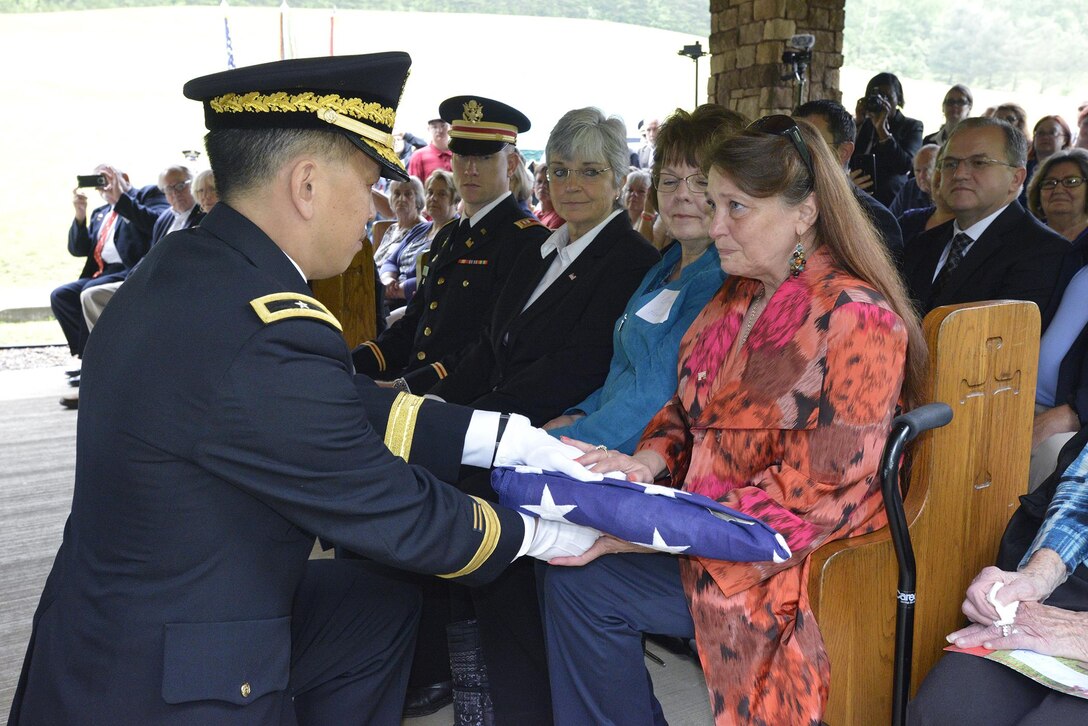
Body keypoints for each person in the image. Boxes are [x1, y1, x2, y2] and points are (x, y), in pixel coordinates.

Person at [8, 52, 599, 726]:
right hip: (167, 674)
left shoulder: (195, 265)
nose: (376, 206)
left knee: (373, 605)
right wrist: (555, 536)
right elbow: (395, 513)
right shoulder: (265, 327)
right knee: (390, 572)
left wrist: (507, 439)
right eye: (371, 179)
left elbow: (335, 403)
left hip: (118, 617)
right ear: (307, 184)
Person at [540, 114, 926, 724]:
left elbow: (815, 497)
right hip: (710, 528)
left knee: (587, 578)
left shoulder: (857, 317)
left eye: (736, 207)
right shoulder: (737, 294)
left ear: (804, 214)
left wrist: (650, 527)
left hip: (789, 561)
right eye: (714, 203)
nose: (714, 225)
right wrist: (644, 463)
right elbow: (685, 414)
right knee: (570, 575)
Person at [430, 106, 660, 724]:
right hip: (502, 432)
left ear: (618, 179)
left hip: (552, 444)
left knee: (500, 578)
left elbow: (574, 369)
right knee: (463, 563)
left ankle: (522, 709)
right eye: (559, 170)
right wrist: (438, 408)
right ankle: (485, 704)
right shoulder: (541, 248)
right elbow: (490, 348)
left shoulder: (628, 260)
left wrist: (468, 430)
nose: (572, 184)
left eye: (590, 170)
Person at [542, 104, 743, 453]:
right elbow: (625, 368)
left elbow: (654, 392)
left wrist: (558, 442)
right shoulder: (665, 266)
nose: (681, 194)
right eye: (669, 180)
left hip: (646, 461)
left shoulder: (720, 280)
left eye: (700, 181)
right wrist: (578, 414)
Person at [352, 95, 548, 394]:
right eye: (461, 155)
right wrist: (352, 363)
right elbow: (414, 323)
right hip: (419, 385)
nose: (469, 168)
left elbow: (490, 348)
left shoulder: (527, 241)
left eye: (484, 157)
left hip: (462, 399)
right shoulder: (448, 235)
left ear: (511, 164)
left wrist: (405, 387)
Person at [908, 428, 1088, 724]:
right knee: (946, 708)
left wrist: (1080, 634)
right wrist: (1039, 574)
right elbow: (1081, 502)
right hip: (1077, 584)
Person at [902, 117, 1071, 326]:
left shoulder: (1044, 253)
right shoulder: (921, 243)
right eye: (950, 163)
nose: (959, 174)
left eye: (979, 163)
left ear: (1016, 178)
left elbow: (999, 342)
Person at [49, 164, 167, 360]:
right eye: (98, 181)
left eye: (107, 178)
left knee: (90, 288)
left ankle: (95, 358)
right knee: (61, 296)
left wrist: (121, 199)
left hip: (132, 268)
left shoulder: (147, 196)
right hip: (102, 271)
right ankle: (85, 354)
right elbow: (78, 249)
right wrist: (80, 216)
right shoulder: (100, 212)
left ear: (125, 178)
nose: (104, 185)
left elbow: (157, 223)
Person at [1025, 148, 1088, 488]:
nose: (1058, 188)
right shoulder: (1027, 248)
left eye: (1072, 180)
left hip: (1065, 408)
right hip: (1017, 392)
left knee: (1052, 454)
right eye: (1048, 182)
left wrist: (1076, 410)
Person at [796, 99, 904, 258]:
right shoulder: (779, 201)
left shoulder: (876, 221)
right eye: (792, 142)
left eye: (811, 144)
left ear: (844, 152)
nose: (796, 153)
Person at [380, 168, 459, 312]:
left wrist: (402, 289)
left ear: (455, 200)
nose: (433, 198)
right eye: (430, 192)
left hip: (419, 304)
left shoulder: (456, 234)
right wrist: (388, 279)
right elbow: (391, 260)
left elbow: (442, 276)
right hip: (392, 296)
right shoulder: (421, 229)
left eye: (441, 194)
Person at [850, 72, 924, 206]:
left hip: (891, 199)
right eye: (876, 97)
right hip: (858, 193)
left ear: (899, 99)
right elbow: (846, 155)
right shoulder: (865, 124)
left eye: (887, 97)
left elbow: (905, 165)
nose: (883, 102)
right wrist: (857, 123)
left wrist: (882, 130)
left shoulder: (912, 126)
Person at [372, 175, 427, 268]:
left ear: (418, 199)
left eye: (408, 194)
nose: (401, 199)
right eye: (397, 194)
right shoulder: (392, 229)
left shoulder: (422, 229)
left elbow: (409, 267)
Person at [889, 143, 939, 217]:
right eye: (917, 170)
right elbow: (890, 220)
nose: (921, 176)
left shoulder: (950, 191)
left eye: (927, 169)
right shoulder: (909, 188)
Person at [407, 117, 453, 181]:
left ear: (450, 127)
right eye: (434, 127)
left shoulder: (459, 154)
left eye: (443, 126)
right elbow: (414, 187)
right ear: (428, 129)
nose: (439, 130)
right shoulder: (418, 156)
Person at [532, 161, 563, 229]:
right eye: (539, 182)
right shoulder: (535, 214)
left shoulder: (560, 217)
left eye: (548, 182)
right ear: (534, 186)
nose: (543, 186)